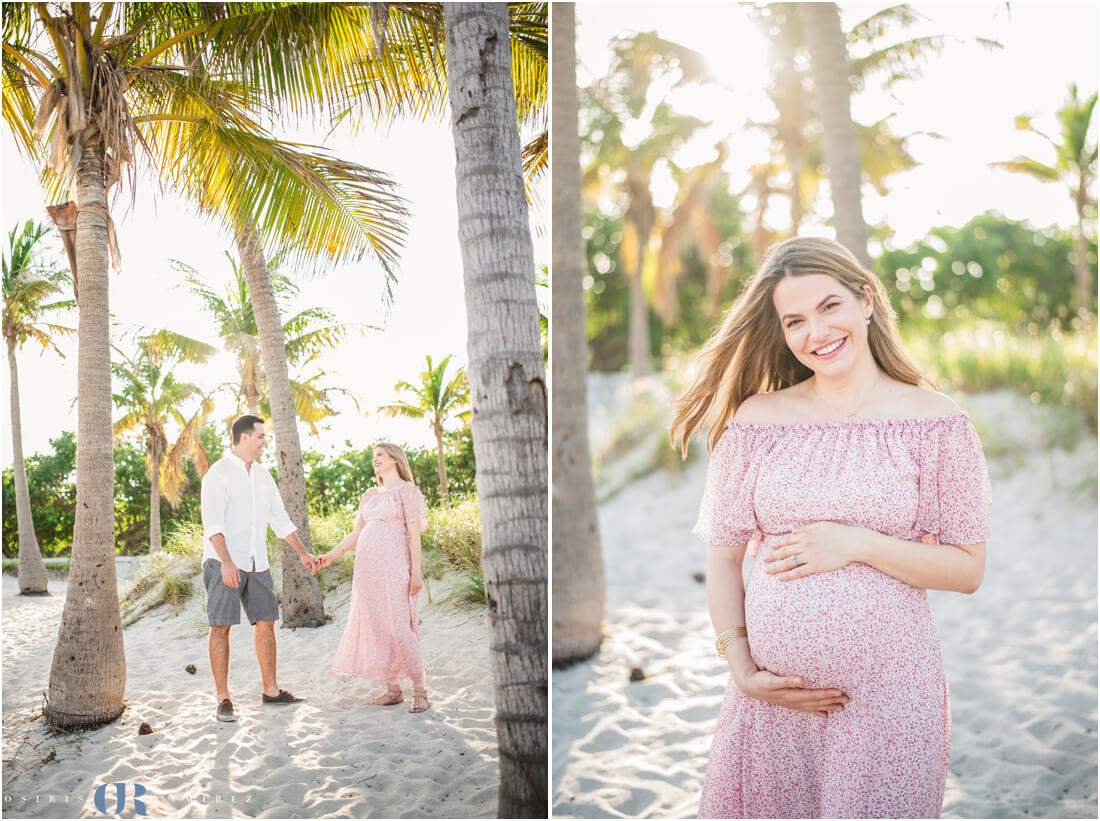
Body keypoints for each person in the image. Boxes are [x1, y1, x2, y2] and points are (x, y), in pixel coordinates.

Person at [670, 236, 992, 818]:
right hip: (774, 705)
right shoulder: (758, 421)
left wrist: (859, 544)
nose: (815, 333)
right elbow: (722, 559)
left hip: (890, 700)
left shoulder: (938, 422)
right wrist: (740, 667)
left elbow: (968, 569)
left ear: (865, 300)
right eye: (794, 321)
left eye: (829, 307)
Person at [200, 414, 320, 723]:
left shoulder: (264, 476)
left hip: (258, 562)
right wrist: (226, 561)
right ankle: (223, 698)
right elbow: (213, 524)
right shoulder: (218, 474)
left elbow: (279, 520)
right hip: (223, 560)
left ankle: (271, 690)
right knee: (221, 627)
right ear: (243, 438)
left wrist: (303, 553)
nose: (265, 442)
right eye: (261, 437)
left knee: (266, 622)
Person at [319, 442, 430, 713]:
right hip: (367, 572)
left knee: (400, 626)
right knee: (378, 627)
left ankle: (420, 690)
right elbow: (356, 533)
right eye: (372, 457)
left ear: (395, 458)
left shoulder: (408, 492)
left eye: (379, 455)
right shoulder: (369, 495)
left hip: (395, 567)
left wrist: (416, 572)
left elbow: (414, 536)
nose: (374, 460)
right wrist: (330, 556)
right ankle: (393, 690)